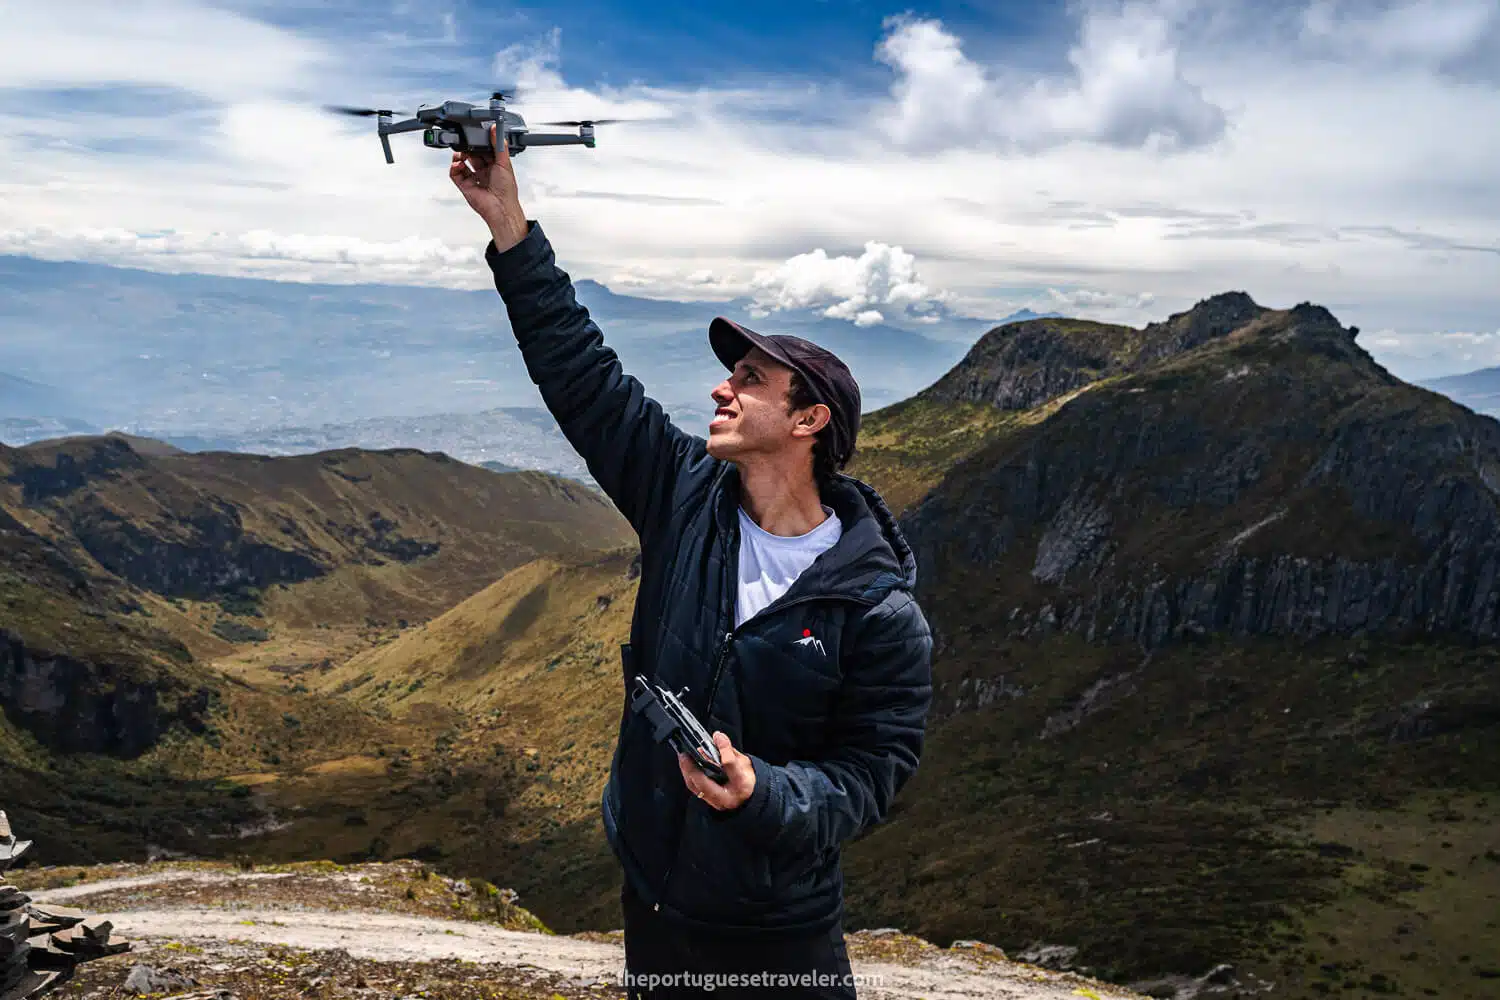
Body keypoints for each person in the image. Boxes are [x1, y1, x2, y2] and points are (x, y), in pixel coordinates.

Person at [451, 125, 933, 998]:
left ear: (808, 421)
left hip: (777, 933)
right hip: (658, 905)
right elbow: (582, 374)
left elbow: (868, 778)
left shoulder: (878, 611)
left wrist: (762, 793)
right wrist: (509, 223)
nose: (720, 386)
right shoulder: (683, 499)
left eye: (748, 377)